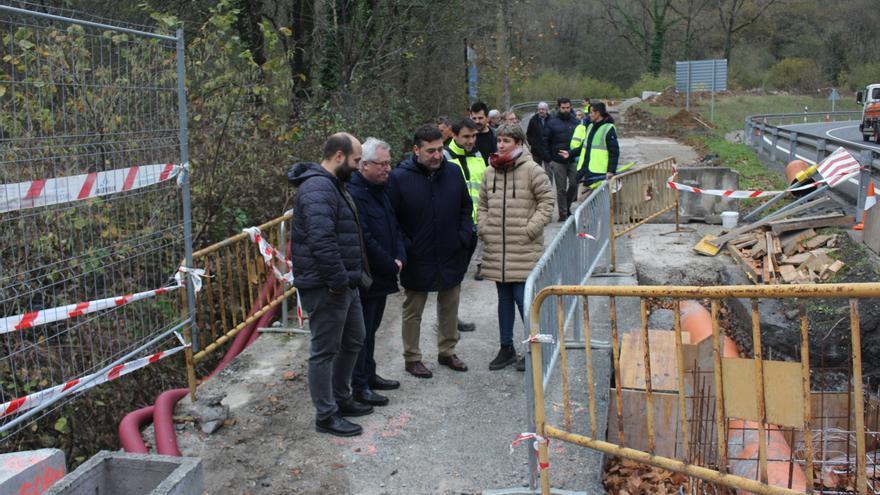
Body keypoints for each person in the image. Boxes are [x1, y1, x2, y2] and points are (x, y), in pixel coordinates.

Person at [288, 132, 371, 437]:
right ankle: (326, 415)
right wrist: (338, 282)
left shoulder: (333, 184)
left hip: (343, 282)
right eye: (356, 160)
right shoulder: (317, 188)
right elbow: (321, 240)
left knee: (354, 338)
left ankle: (341, 397)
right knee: (324, 350)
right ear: (339, 156)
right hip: (327, 285)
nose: (358, 166)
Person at [388, 125, 474, 378]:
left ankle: (447, 351)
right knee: (413, 309)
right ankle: (412, 357)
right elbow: (392, 219)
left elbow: (465, 207)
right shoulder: (399, 178)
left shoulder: (453, 172)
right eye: (430, 151)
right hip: (418, 256)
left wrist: (462, 237)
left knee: (450, 306)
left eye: (440, 149)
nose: (437, 155)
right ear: (416, 150)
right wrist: (406, 246)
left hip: (450, 252)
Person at [478, 123, 554, 370]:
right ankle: (506, 347)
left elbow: (547, 202)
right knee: (504, 300)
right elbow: (482, 205)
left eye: (506, 141)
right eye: (499, 140)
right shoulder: (490, 171)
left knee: (525, 301)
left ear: (519, 143)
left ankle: (536, 349)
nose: (500, 145)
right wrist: (484, 228)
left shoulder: (532, 170)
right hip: (497, 250)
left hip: (523, 248)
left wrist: (530, 229)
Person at [348, 138, 406, 407]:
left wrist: (400, 255)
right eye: (382, 164)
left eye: (388, 163)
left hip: (383, 273)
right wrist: (390, 263)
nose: (387, 169)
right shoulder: (355, 193)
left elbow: (393, 226)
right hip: (369, 276)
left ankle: (369, 375)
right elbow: (365, 239)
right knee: (361, 333)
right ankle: (359, 385)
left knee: (372, 330)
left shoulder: (381, 189)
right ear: (364, 165)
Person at [444, 118, 487, 284]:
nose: (471, 140)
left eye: (474, 136)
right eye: (466, 136)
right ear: (454, 135)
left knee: (461, 269)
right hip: (454, 223)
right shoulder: (444, 157)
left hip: (476, 222)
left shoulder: (477, 154)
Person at [572, 102, 620, 201]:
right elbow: (584, 147)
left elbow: (614, 152)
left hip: (599, 174)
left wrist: (611, 170)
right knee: (582, 200)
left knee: (598, 203)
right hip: (585, 171)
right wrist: (569, 153)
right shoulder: (590, 127)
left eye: (591, 112)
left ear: (598, 113)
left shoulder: (608, 128)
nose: (589, 115)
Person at [542, 97, 580, 221]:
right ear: (559, 108)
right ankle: (563, 214)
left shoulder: (576, 122)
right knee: (561, 188)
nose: (566, 110)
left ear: (571, 107)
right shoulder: (551, 123)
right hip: (557, 160)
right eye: (563, 108)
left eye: (568, 108)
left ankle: (567, 207)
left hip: (572, 159)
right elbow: (545, 142)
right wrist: (549, 159)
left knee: (574, 184)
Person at [470, 101, 497, 166]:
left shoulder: (496, 135)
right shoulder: (468, 137)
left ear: (487, 118)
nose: (477, 121)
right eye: (474, 118)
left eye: (480, 118)